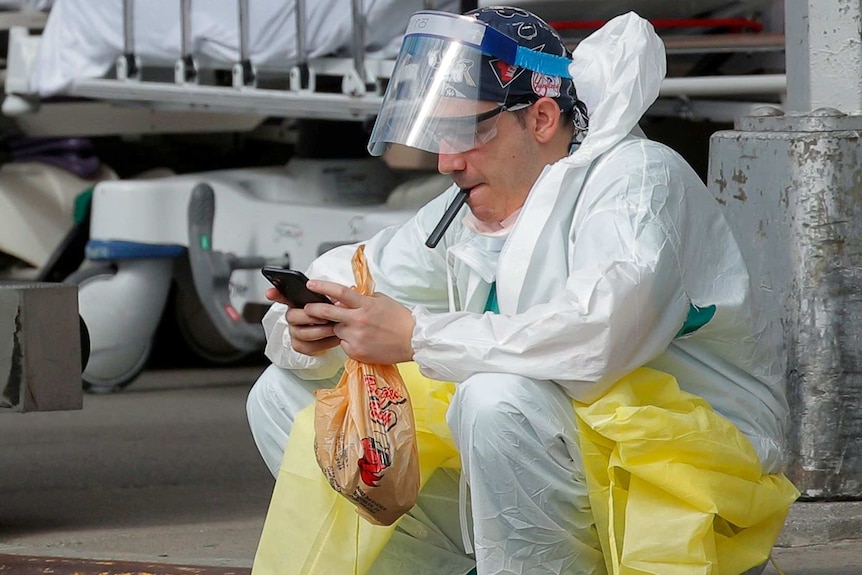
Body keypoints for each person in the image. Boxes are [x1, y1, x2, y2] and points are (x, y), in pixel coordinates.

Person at [247, 6, 790, 575]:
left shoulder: (638, 182)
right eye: (441, 134)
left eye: (469, 132)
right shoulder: (469, 206)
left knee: (496, 398)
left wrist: (418, 336)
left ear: (542, 118)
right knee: (283, 393)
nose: (448, 161)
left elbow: (596, 341)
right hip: (560, 458)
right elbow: (362, 269)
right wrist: (313, 325)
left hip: (685, 478)